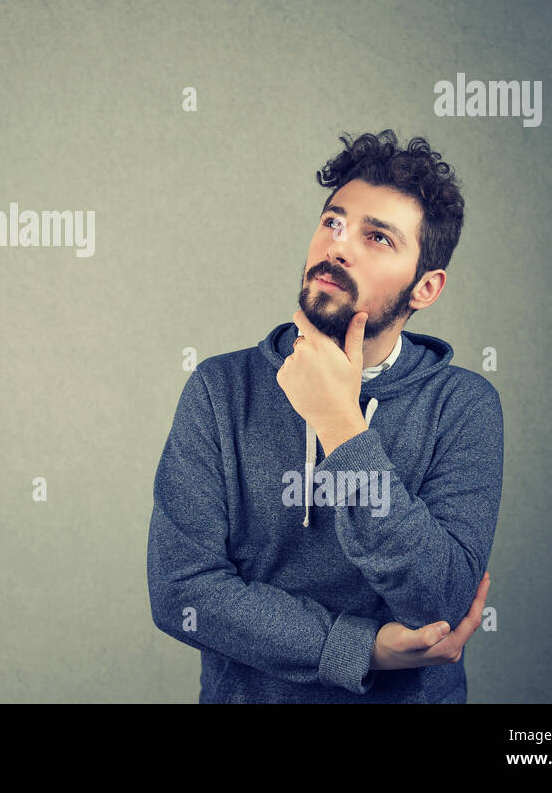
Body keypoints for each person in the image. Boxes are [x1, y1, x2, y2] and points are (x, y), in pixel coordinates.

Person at [146, 130, 503, 703]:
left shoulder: (463, 406)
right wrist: (362, 649)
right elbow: (182, 592)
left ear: (426, 286)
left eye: (378, 238)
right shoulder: (220, 388)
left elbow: (441, 603)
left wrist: (341, 426)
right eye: (333, 222)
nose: (339, 247)